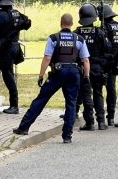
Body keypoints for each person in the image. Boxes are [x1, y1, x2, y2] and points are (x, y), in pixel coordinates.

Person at [13, 13, 90, 143]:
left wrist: (41, 75)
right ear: (72, 24)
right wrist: (86, 76)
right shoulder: (79, 39)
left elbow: (47, 58)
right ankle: (67, 136)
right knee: (71, 103)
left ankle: (24, 127)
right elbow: (86, 60)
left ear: (61, 23)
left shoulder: (54, 38)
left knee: (41, 99)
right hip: (73, 73)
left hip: (58, 73)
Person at [76, 4, 112, 131]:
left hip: (82, 68)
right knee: (98, 94)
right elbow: (108, 50)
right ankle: (101, 122)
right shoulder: (99, 33)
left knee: (86, 94)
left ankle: (90, 122)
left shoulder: (77, 34)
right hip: (97, 68)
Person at [97, 4, 118, 126]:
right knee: (111, 88)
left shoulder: (105, 28)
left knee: (98, 89)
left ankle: (101, 117)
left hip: (105, 62)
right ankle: (111, 117)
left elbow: (102, 45)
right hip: (115, 62)